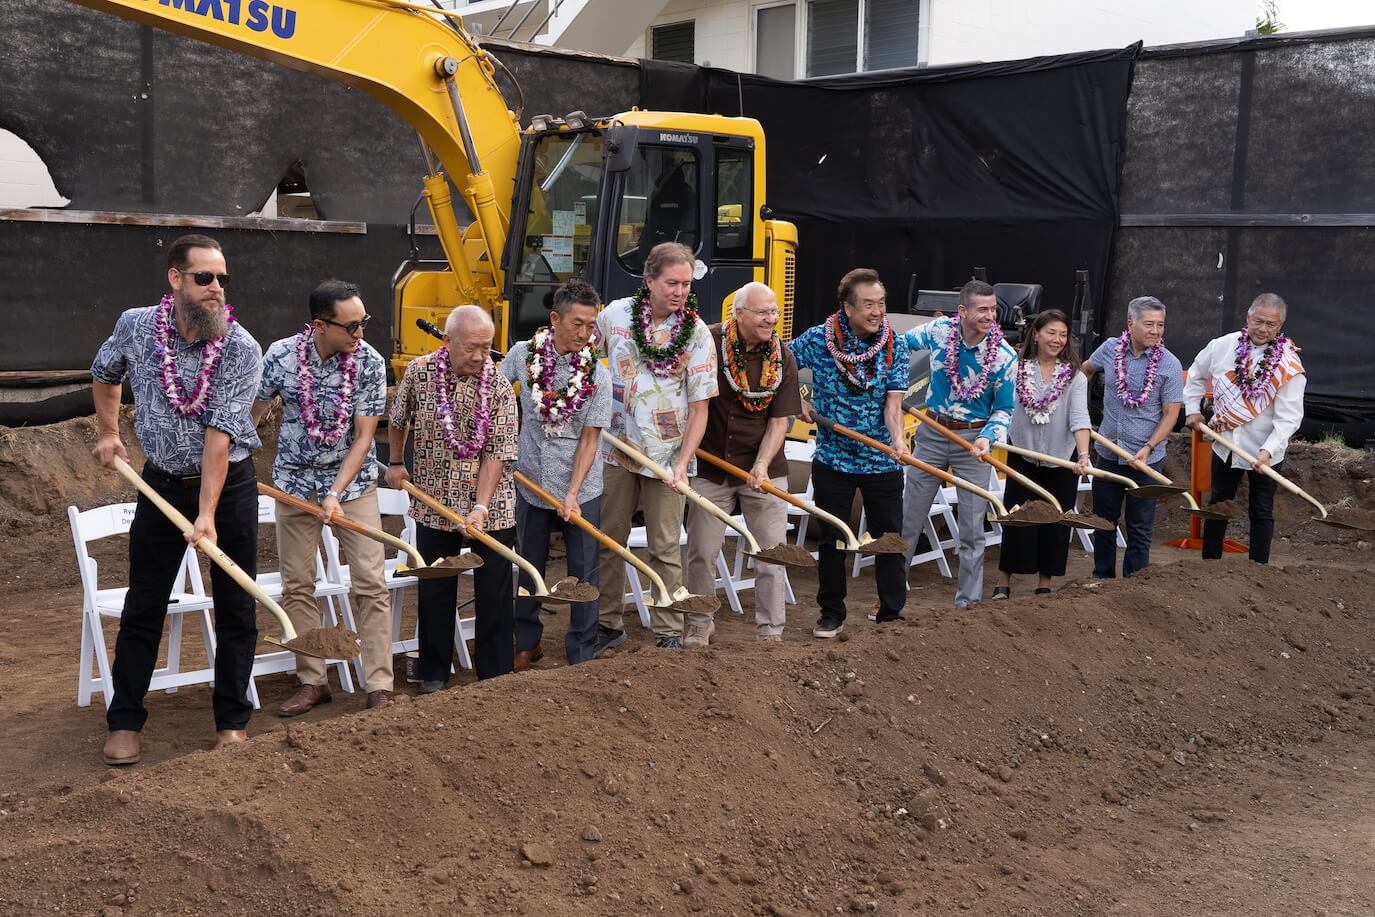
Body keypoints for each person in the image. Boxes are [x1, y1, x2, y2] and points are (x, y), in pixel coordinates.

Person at [89, 233, 263, 765]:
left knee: (236, 603)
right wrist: (108, 431)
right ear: (175, 279)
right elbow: (104, 372)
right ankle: (124, 721)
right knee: (145, 603)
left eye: (223, 279)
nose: (216, 289)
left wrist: (207, 514)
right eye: (204, 277)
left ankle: (231, 721)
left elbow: (219, 436)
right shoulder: (136, 326)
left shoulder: (241, 349)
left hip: (227, 487)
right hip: (159, 483)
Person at [252, 280, 393, 714]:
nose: (360, 333)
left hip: (351, 486)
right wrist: (234, 457)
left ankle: (379, 685)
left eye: (363, 323)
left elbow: (365, 437)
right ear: (320, 325)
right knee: (298, 585)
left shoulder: (369, 362)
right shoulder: (279, 356)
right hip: (293, 485)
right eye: (351, 326)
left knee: (370, 581)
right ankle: (313, 680)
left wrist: (335, 493)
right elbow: (251, 416)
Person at [593, 242, 718, 654]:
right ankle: (607, 623)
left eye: (685, 283)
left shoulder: (697, 333)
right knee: (610, 538)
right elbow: (585, 360)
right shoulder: (614, 316)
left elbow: (701, 408)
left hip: (667, 459)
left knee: (665, 544)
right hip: (616, 448)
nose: (680, 291)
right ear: (649, 282)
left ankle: (668, 626)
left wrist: (683, 465)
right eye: (671, 283)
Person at [387, 305, 519, 689]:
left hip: (490, 507)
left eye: (487, 347)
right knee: (435, 589)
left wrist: (479, 507)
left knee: (493, 592)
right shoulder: (420, 372)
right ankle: (433, 673)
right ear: (447, 341)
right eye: (471, 348)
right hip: (434, 502)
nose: (480, 357)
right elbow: (398, 419)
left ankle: (495, 676)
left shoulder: (496, 385)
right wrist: (396, 461)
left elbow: (498, 451)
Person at [790, 268, 911, 637]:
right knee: (833, 539)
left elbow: (893, 406)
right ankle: (831, 613)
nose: (878, 312)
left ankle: (891, 613)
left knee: (889, 539)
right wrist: (796, 399)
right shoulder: (818, 340)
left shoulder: (895, 345)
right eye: (869, 305)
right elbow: (781, 363)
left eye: (882, 303)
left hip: (879, 461)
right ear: (847, 307)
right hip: (832, 460)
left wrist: (898, 440)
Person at [500, 279, 612, 668]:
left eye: (590, 325)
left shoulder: (597, 374)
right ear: (554, 319)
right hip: (529, 480)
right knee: (529, 566)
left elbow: (589, 439)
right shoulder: (520, 355)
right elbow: (496, 398)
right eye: (577, 323)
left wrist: (573, 494)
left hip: (581, 487)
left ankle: (580, 650)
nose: (585, 334)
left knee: (583, 575)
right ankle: (526, 643)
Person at [683, 282, 802, 645]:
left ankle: (770, 631)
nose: (771, 320)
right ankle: (700, 624)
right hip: (711, 467)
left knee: (772, 555)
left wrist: (762, 465)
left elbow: (780, 420)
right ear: (738, 314)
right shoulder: (707, 343)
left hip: (763, 469)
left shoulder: (783, 356)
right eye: (763, 313)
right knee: (701, 553)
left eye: (774, 312)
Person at [901, 279, 1017, 609]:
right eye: (982, 309)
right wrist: (893, 385)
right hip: (932, 432)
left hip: (973, 440)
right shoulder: (938, 331)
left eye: (993, 309)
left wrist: (986, 438)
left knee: (971, 528)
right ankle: (891, 598)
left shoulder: (1005, 357)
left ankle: (968, 604)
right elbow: (900, 345)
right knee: (909, 519)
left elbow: (1005, 409)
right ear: (962, 311)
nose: (990, 315)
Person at [1183, 293, 1305, 565]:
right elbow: (1195, 376)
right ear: (1248, 318)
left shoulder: (1288, 364)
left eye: (1271, 324)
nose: (1263, 329)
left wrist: (1267, 451)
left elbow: (1289, 418)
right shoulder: (1222, 346)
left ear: (1280, 326)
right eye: (1258, 321)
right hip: (1224, 443)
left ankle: (1257, 570)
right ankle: (1209, 564)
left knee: (1261, 509)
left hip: (1265, 450)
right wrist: (1192, 409)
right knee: (1218, 504)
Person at [992, 309, 1092, 598]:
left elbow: (1080, 418)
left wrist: (1083, 455)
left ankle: (1044, 584)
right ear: (1035, 334)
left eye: (1062, 334)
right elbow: (1002, 409)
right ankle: (1003, 582)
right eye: (1051, 333)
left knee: (1055, 522)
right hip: (1022, 456)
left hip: (1062, 459)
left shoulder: (1074, 376)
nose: (1057, 340)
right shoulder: (1016, 369)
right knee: (1017, 517)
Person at [1082, 296, 1184, 578]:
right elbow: (1085, 370)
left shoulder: (1169, 364)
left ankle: (1135, 585)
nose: (1155, 331)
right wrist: (1077, 408)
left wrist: (1149, 448)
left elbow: (1170, 414)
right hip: (1108, 451)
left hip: (1146, 459)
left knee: (1139, 525)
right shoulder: (1110, 349)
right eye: (1149, 324)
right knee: (1103, 521)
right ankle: (1102, 577)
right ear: (1131, 324)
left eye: (1160, 325)